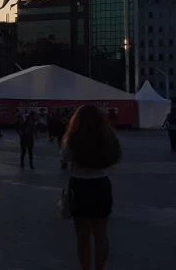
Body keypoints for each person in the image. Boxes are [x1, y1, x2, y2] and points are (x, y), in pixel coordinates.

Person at [61, 105, 121, 270]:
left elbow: (64, 157)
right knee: (101, 234)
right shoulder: (107, 137)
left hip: (79, 187)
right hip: (101, 185)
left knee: (82, 236)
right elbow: (115, 157)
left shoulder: (73, 139)